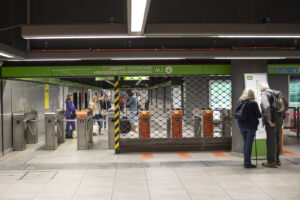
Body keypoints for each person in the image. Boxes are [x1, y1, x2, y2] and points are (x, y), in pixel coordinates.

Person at [260, 82, 285, 168]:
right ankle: (277, 160)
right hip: (280, 118)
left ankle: (271, 161)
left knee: (271, 141)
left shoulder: (264, 94)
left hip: (272, 119)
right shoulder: (276, 93)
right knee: (277, 139)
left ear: (261, 88)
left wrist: (269, 121)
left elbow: (266, 107)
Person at [236, 89, 261, 168]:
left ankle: (246, 161)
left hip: (241, 125)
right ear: (252, 94)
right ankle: (247, 163)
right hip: (251, 126)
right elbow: (258, 115)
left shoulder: (240, 101)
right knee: (248, 144)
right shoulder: (253, 103)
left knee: (246, 142)